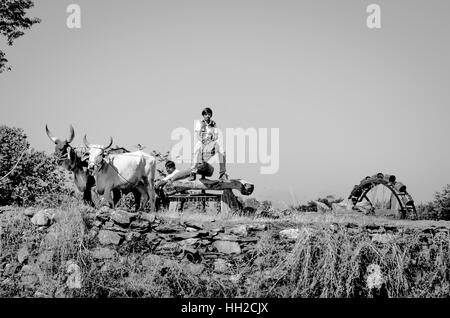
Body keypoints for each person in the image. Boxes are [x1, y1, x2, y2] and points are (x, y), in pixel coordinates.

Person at [189, 107, 228, 181]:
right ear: (203, 115)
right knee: (197, 147)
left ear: (211, 115)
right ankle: (193, 172)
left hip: (210, 142)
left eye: (209, 114)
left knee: (222, 150)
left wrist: (212, 140)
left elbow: (216, 136)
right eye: (206, 114)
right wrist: (203, 141)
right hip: (202, 141)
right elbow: (197, 135)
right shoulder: (200, 122)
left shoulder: (213, 124)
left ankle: (222, 173)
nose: (207, 116)